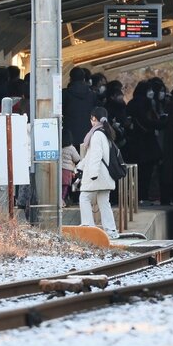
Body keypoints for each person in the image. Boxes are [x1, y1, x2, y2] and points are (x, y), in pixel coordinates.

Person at [78, 106, 119, 237]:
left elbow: (95, 155)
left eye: (91, 118)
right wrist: (80, 166)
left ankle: (89, 228)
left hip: (97, 175)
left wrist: (92, 174)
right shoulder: (106, 133)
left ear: (94, 118)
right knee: (103, 201)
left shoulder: (96, 134)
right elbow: (90, 155)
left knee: (84, 197)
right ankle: (111, 230)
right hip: (105, 176)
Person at [63, 66, 95, 146]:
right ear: (84, 79)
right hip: (88, 135)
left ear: (70, 79)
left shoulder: (65, 94)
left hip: (69, 137)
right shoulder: (92, 95)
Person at [60, 127, 81, 205]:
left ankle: (61, 201)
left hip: (57, 170)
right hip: (67, 170)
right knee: (65, 186)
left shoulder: (57, 147)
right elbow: (77, 159)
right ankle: (62, 200)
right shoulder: (71, 148)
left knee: (59, 187)